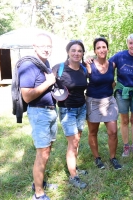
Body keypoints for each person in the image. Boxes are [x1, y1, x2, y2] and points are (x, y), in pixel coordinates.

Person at [18, 33, 56, 200]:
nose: (46, 49)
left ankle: (39, 183)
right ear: (34, 47)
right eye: (42, 46)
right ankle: (39, 194)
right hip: (39, 112)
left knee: (47, 150)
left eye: (49, 46)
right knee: (43, 153)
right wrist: (49, 82)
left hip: (50, 111)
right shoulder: (28, 65)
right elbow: (26, 96)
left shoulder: (44, 63)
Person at [52, 40, 88, 189]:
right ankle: (73, 176)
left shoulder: (84, 68)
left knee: (77, 140)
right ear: (68, 52)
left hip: (82, 108)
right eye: (73, 50)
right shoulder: (59, 68)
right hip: (67, 110)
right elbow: (47, 85)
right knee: (72, 143)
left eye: (79, 51)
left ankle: (74, 167)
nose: (76, 53)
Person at [86, 37, 122, 170]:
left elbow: (112, 82)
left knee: (113, 132)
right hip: (93, 101)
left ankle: (113, 158)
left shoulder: (112, 65)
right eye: (98, 47)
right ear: (95, 50)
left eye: (104, 47)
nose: (101, 49)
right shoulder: (89, 64)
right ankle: (97, 158)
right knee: (93, 131)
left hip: (109, 101)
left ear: (107, 49)